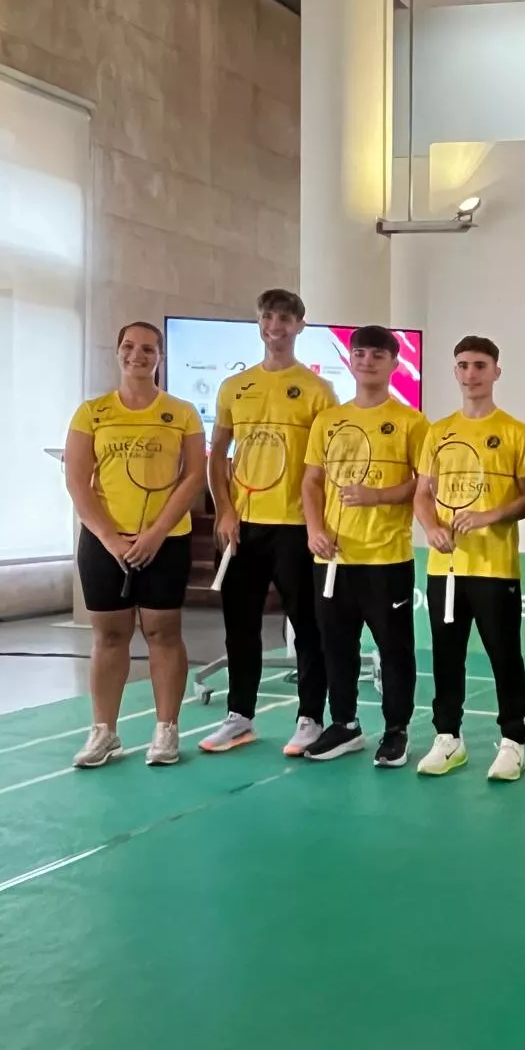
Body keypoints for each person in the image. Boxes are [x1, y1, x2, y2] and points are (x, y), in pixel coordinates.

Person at [200, 288, 337, 756]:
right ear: (259, 323)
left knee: (308, 627)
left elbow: (325, 467)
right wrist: (225, 509)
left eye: (284, 318)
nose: (274, 326)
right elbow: (217, 454)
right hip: (243, 528)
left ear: (299, 326)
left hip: (296, 527)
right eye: (267, 317)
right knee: (240, 626)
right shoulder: (234, 387)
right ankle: (239, 717)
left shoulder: (318, 391)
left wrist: (320, 524)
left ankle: (311, 718)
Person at [64, 322, 207, 768]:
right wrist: (109, 538)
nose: (137, 355)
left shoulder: (182, 412)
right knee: (109, 636)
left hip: (165, 541)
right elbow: (77, 482)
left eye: (148, 349)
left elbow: (193, 477)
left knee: (163, 632)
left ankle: (166, 730)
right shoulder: (92, 413)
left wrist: (156, 533)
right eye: (129, 347)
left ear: (159, 357)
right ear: (118, 352)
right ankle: (104, 731)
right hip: (104, 544)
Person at [299, 325, 427, 767]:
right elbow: (311, 482)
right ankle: (345, 725)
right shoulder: (327, 421)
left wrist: (378, 496)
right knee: (336, 646)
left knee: (394, 649)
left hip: (386, 558)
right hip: (333, 560)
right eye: (360, 353)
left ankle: (396, 731)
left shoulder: (412, 423)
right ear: (349, 360)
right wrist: (314, 530)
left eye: (377, 354)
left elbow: (423, 485)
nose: (367, 361)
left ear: (394, 363)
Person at [412, 336, 525, 780]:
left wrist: (490, 515)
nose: (471, 373)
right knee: (446, 657)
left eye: (480, 365)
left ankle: (513, 741)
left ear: (496, 371)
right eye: (463, 365)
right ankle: (448, 738)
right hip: (444, 569)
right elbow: (421, 494)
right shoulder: (437, 431)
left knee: (505, 657)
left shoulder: (517, 432)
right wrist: (431, 528)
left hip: (494, 567)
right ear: (455, 371)